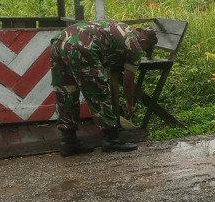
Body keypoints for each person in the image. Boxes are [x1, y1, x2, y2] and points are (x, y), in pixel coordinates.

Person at [50, 19, 158, 157]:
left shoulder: (123, 28)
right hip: (82, 46)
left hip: (59, 41)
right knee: (98, 92)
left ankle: (68, 141)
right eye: (146, 48)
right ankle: (111, 140)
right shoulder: (135, 45)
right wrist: (130, 105)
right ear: (143, 41)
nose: (143, 51)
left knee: (65, 91)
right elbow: (128, 83)